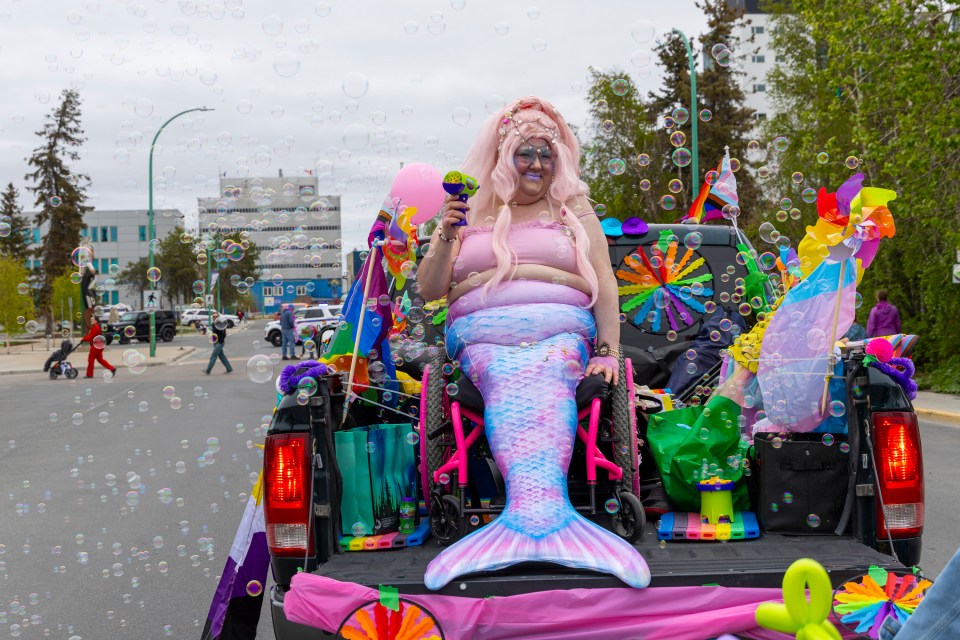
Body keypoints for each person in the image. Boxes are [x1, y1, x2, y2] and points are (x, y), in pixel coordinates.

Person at [417, 96, 649, 590]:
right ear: (504, 156)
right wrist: (445, 233)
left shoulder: (572, 207)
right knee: (505, 371)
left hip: (561, 337)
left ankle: (539, 517)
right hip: (483, 342)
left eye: (547, 153)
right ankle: (537, 519)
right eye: (526, 153)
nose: (538, 164)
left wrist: (608, 351)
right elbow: (430, 290)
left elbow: (604, 282)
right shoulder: (467, 211)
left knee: (546, 366)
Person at [79, 309, 116, 379]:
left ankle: (89, 374)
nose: (91, 321)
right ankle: (112, 368)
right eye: (91, 320)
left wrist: (83, 339)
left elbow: (91, 337)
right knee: (100, 359)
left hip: (95, 346)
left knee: (91, 359)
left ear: (96, 321)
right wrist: (84, 338)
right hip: (99, 345)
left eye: (92, 320)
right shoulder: (95, 327)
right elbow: (91, 336)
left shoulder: (96, 328)